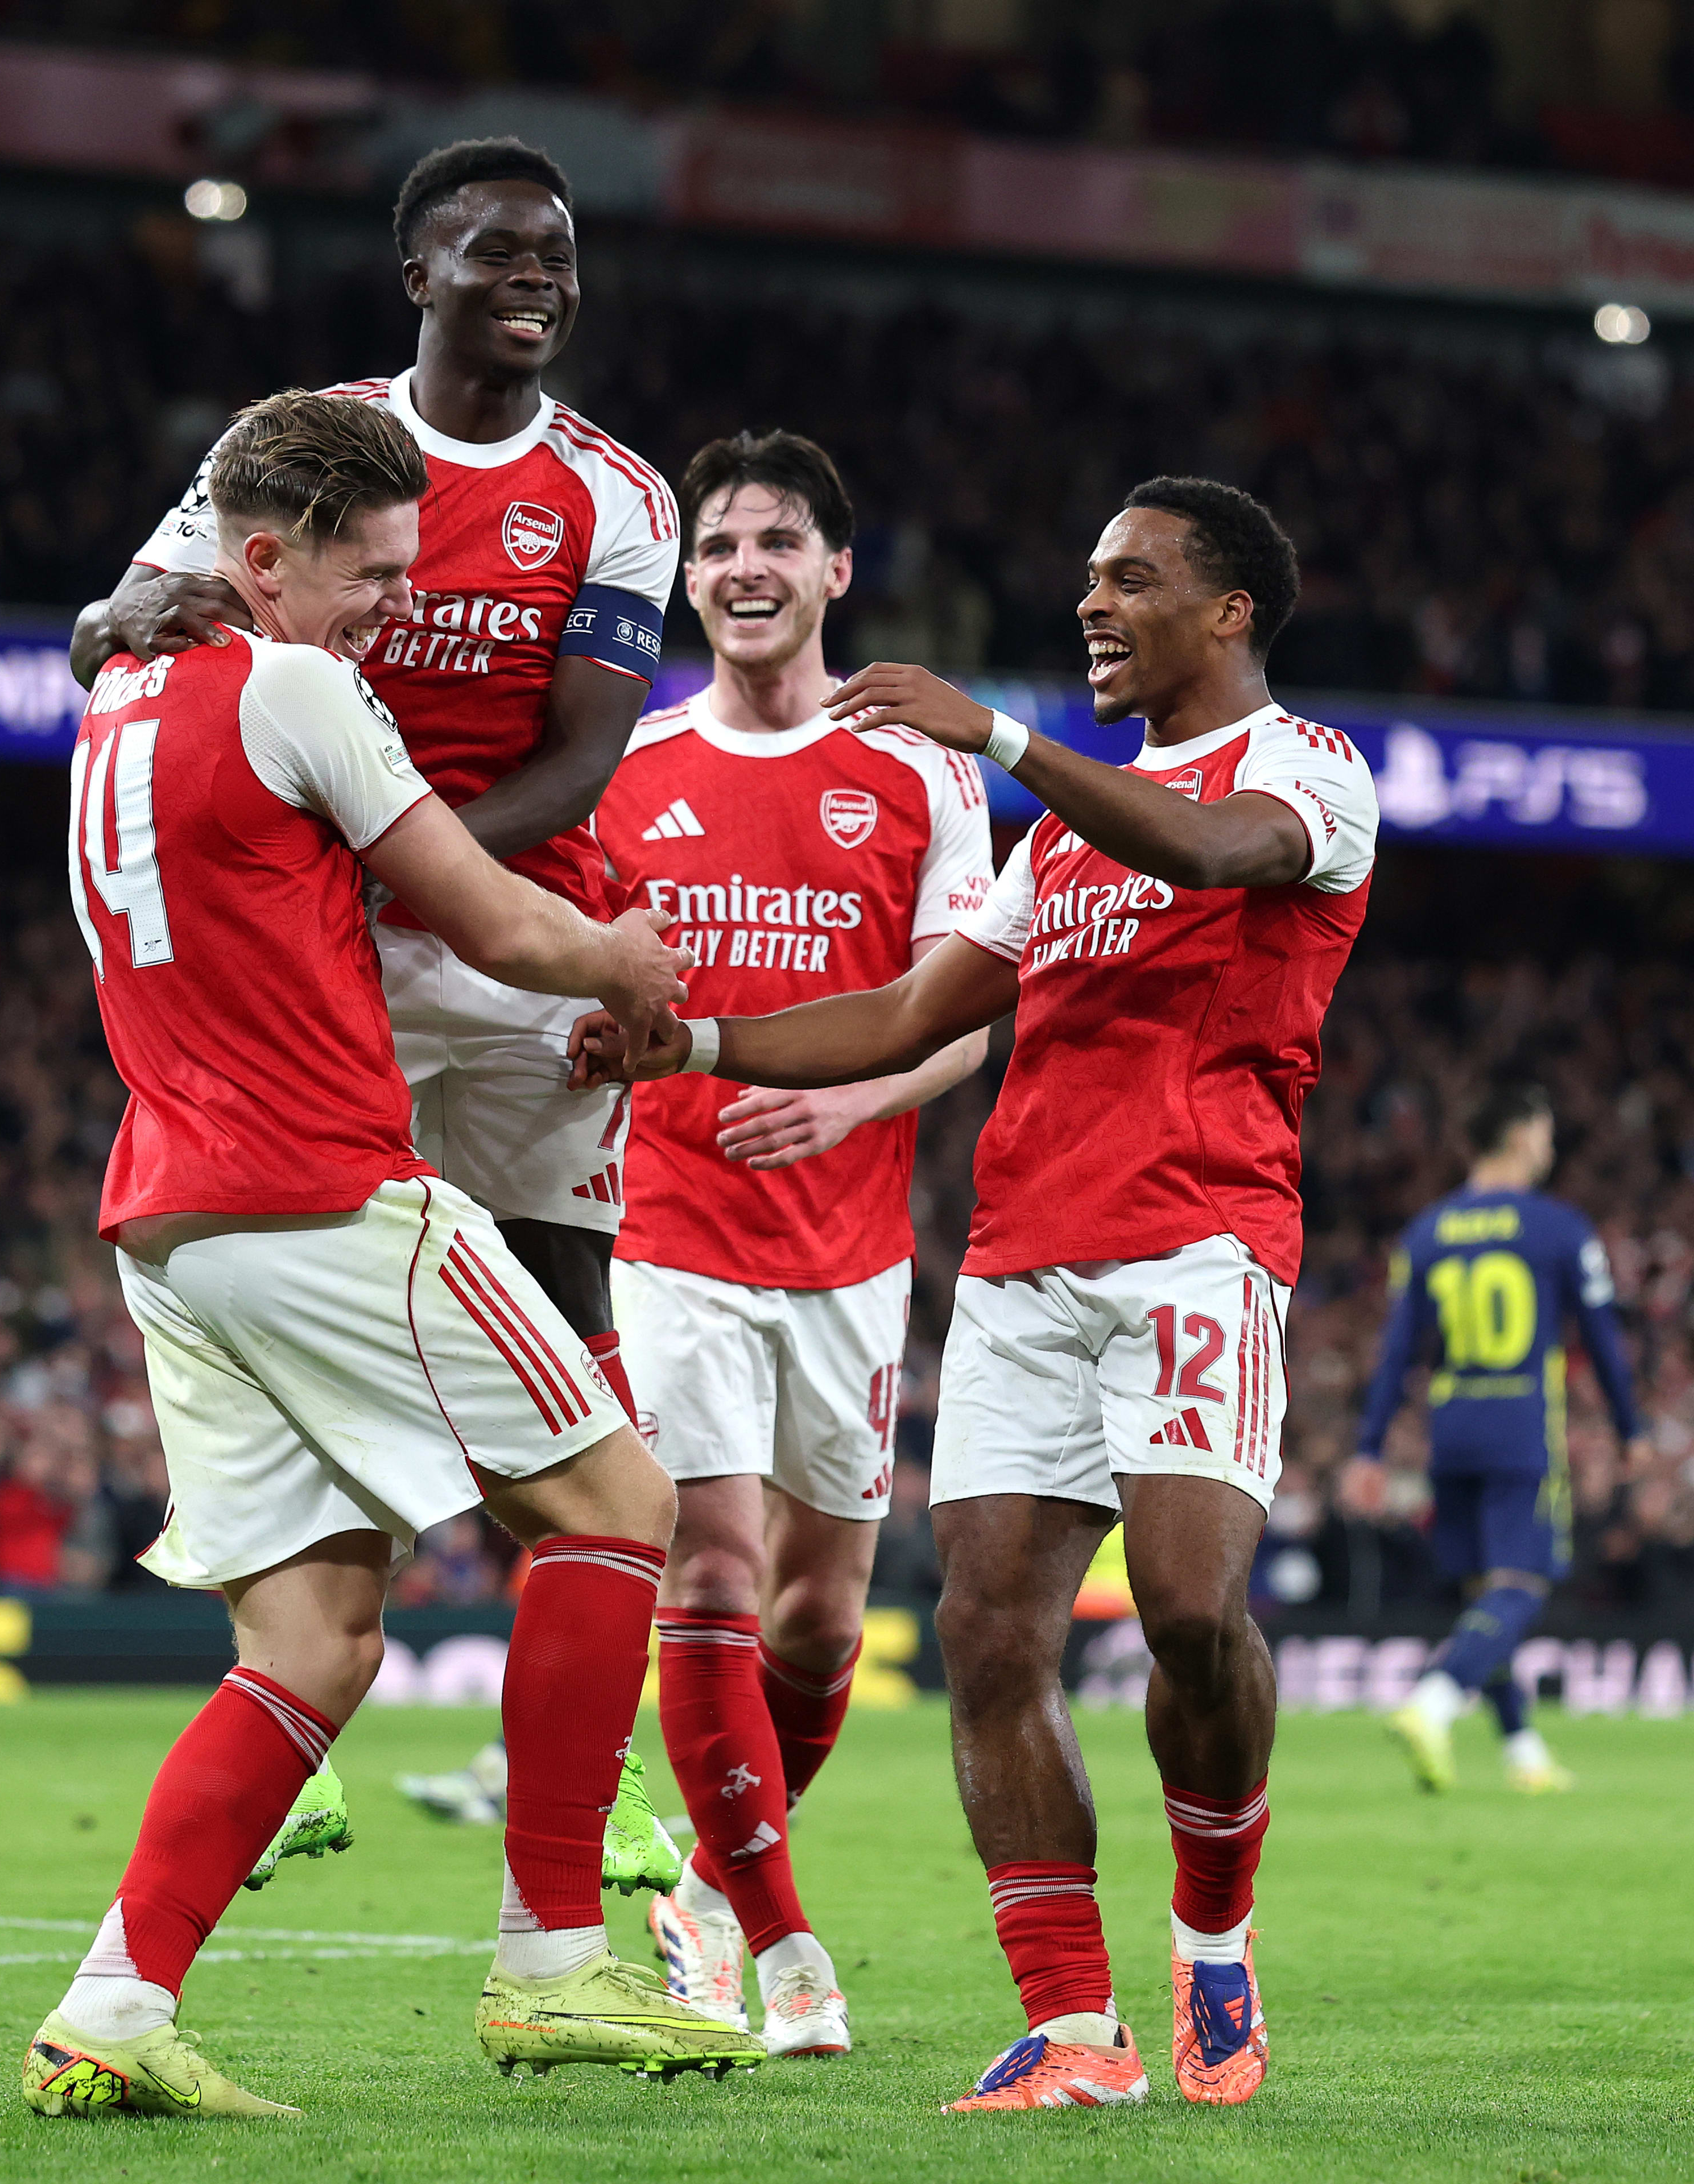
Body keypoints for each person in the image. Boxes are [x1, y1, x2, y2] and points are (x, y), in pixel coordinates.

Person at [580, 476, 1378, 2112]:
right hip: (1018, 1265)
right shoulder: (1057, 846)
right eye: (1088, 576)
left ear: (1228, 611)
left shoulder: (1304, 769)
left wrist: (1002, 738)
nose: (1093, 603)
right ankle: (1073, 2027)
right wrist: (697, 1043)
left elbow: (1211, 848)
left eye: (1132, 579)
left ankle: (1213, 1937)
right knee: (988, 1634)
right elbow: (901, 1014)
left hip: (1197, 1244)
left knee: (1188, 1612)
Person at [23, 388, 761, 2124]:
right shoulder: (292, 688)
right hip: (315, 1186)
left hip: (170, 1218)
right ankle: (551, 1960)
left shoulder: (117, 702)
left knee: (311, 1641)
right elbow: (492, 917)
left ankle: (112, 2006)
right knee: (618, 1501)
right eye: (369, 574)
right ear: (262, 560)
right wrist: (629, 958)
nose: (398, 611)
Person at [73, 136, 682, 1881]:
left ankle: (586, 1763)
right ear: (418, 274)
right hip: (322, 948)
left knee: (562, 1330)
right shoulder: (304, 449)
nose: (535, 274)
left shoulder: (617, 496)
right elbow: (115, 633)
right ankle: (298, 1714)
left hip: (498, 931)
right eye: (496, 249)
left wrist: (392, 853)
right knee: (294, 1291)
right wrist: (123, 614)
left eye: (556, 250)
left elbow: (581, 757)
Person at [586, 430, 991, 2060]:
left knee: (821, 1623)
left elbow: (973, 1007)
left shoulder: (923, 772)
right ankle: (784, 1943)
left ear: (836, 569)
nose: (743, 569)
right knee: (712, 1571)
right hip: (669, 1230)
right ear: (688, 580)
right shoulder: (626, 767)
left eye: (774, 542)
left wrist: (854, 1098)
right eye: (716, 546)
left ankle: (699, 1892)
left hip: (851, 1252)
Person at [1353, 1082, 1650, 1794]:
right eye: (1545, 1134)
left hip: (1452, 1426)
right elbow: (1601, 1339)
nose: (1550, 1147)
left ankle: (1522, 1751)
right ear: (1519, 1136)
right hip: (1521, 1424)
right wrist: (1630, 1427)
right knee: (1522, 1585)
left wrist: (1369, 1448)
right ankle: (1432, 1703)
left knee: (1482, 1593)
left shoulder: (1428, 1231)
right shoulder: (1558, 1228)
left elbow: (1397, 1354)